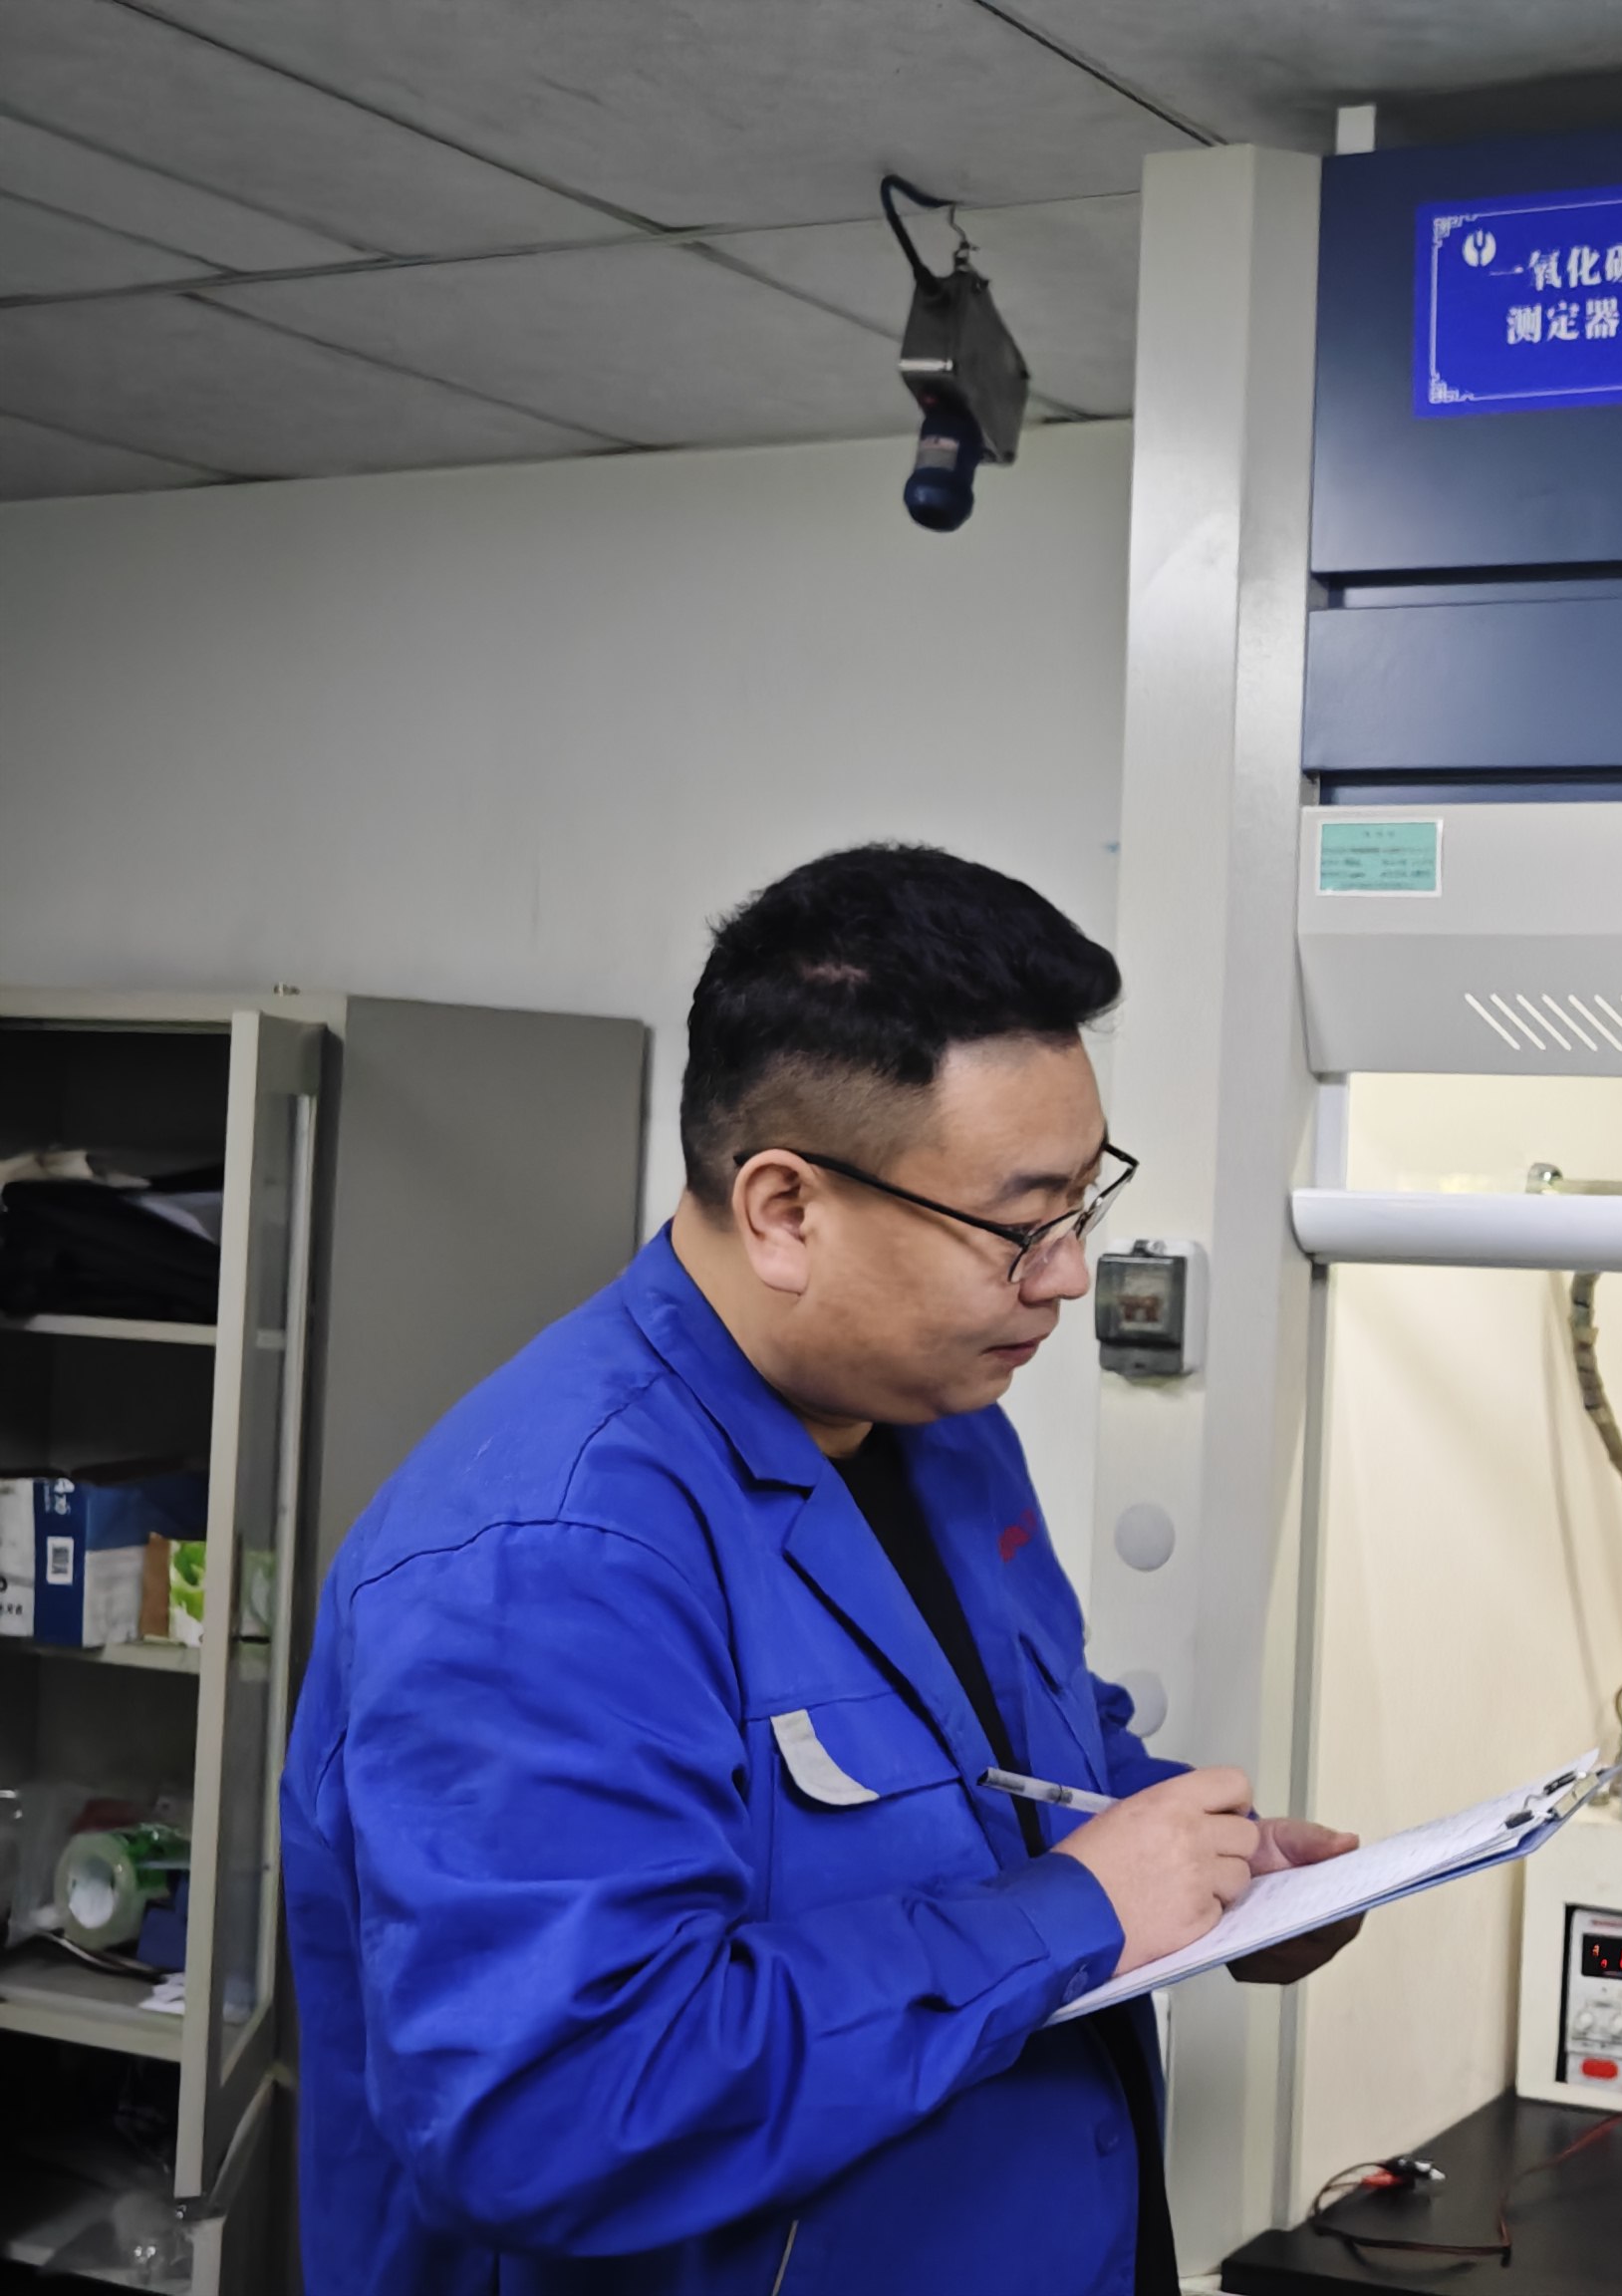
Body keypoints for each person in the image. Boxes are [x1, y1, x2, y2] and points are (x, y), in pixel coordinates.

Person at [285, 845, 1356, 2295]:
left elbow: (1009, 1763)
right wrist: (1082, 1911)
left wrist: (1201, 1858)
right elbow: (556, 2109)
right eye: (1019, 1224)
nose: (1066, 1275)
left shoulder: (943, 1428)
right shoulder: (548, 1556)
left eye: (1082, 1202)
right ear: (786, 1209)